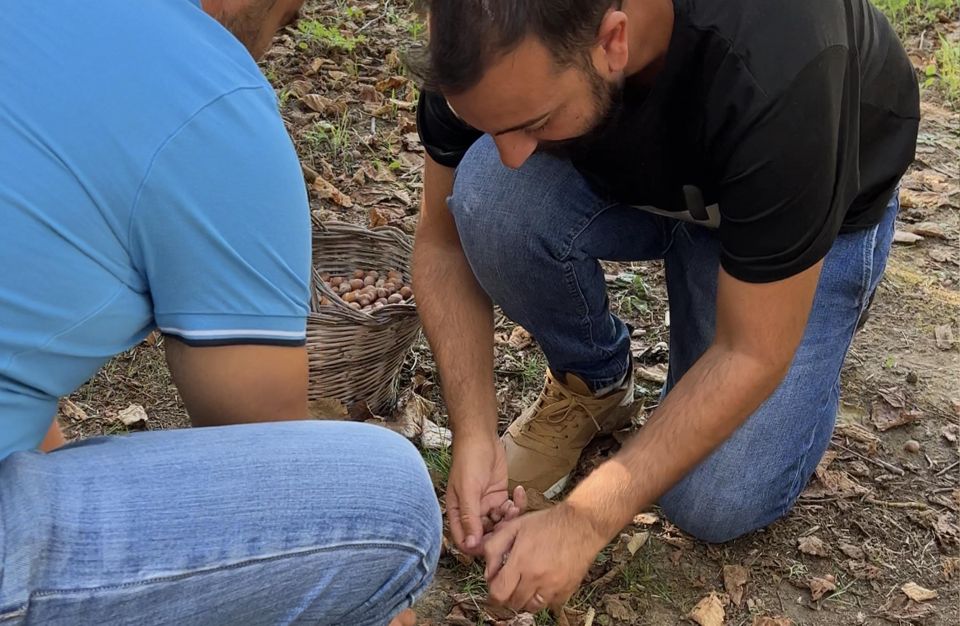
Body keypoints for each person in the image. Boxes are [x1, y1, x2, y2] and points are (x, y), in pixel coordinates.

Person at [411, 0, 919, 612]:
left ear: (614, 40)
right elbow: (440, 245)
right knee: (489, 199)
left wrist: (585, 520)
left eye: (534, 121)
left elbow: (753, 350)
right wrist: (472, 432)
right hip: (665, 171)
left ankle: (807, 332)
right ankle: (594, 383)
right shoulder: (477, 33)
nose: (511, 154)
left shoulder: (782, 59)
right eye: (490, 125)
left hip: (812, 200)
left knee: (714, 498)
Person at [0, 1, 440, 624]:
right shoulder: (214, 96)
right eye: (287, 19)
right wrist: (360, 583)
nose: (283, 30)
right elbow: (275, 473)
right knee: (391, 503)